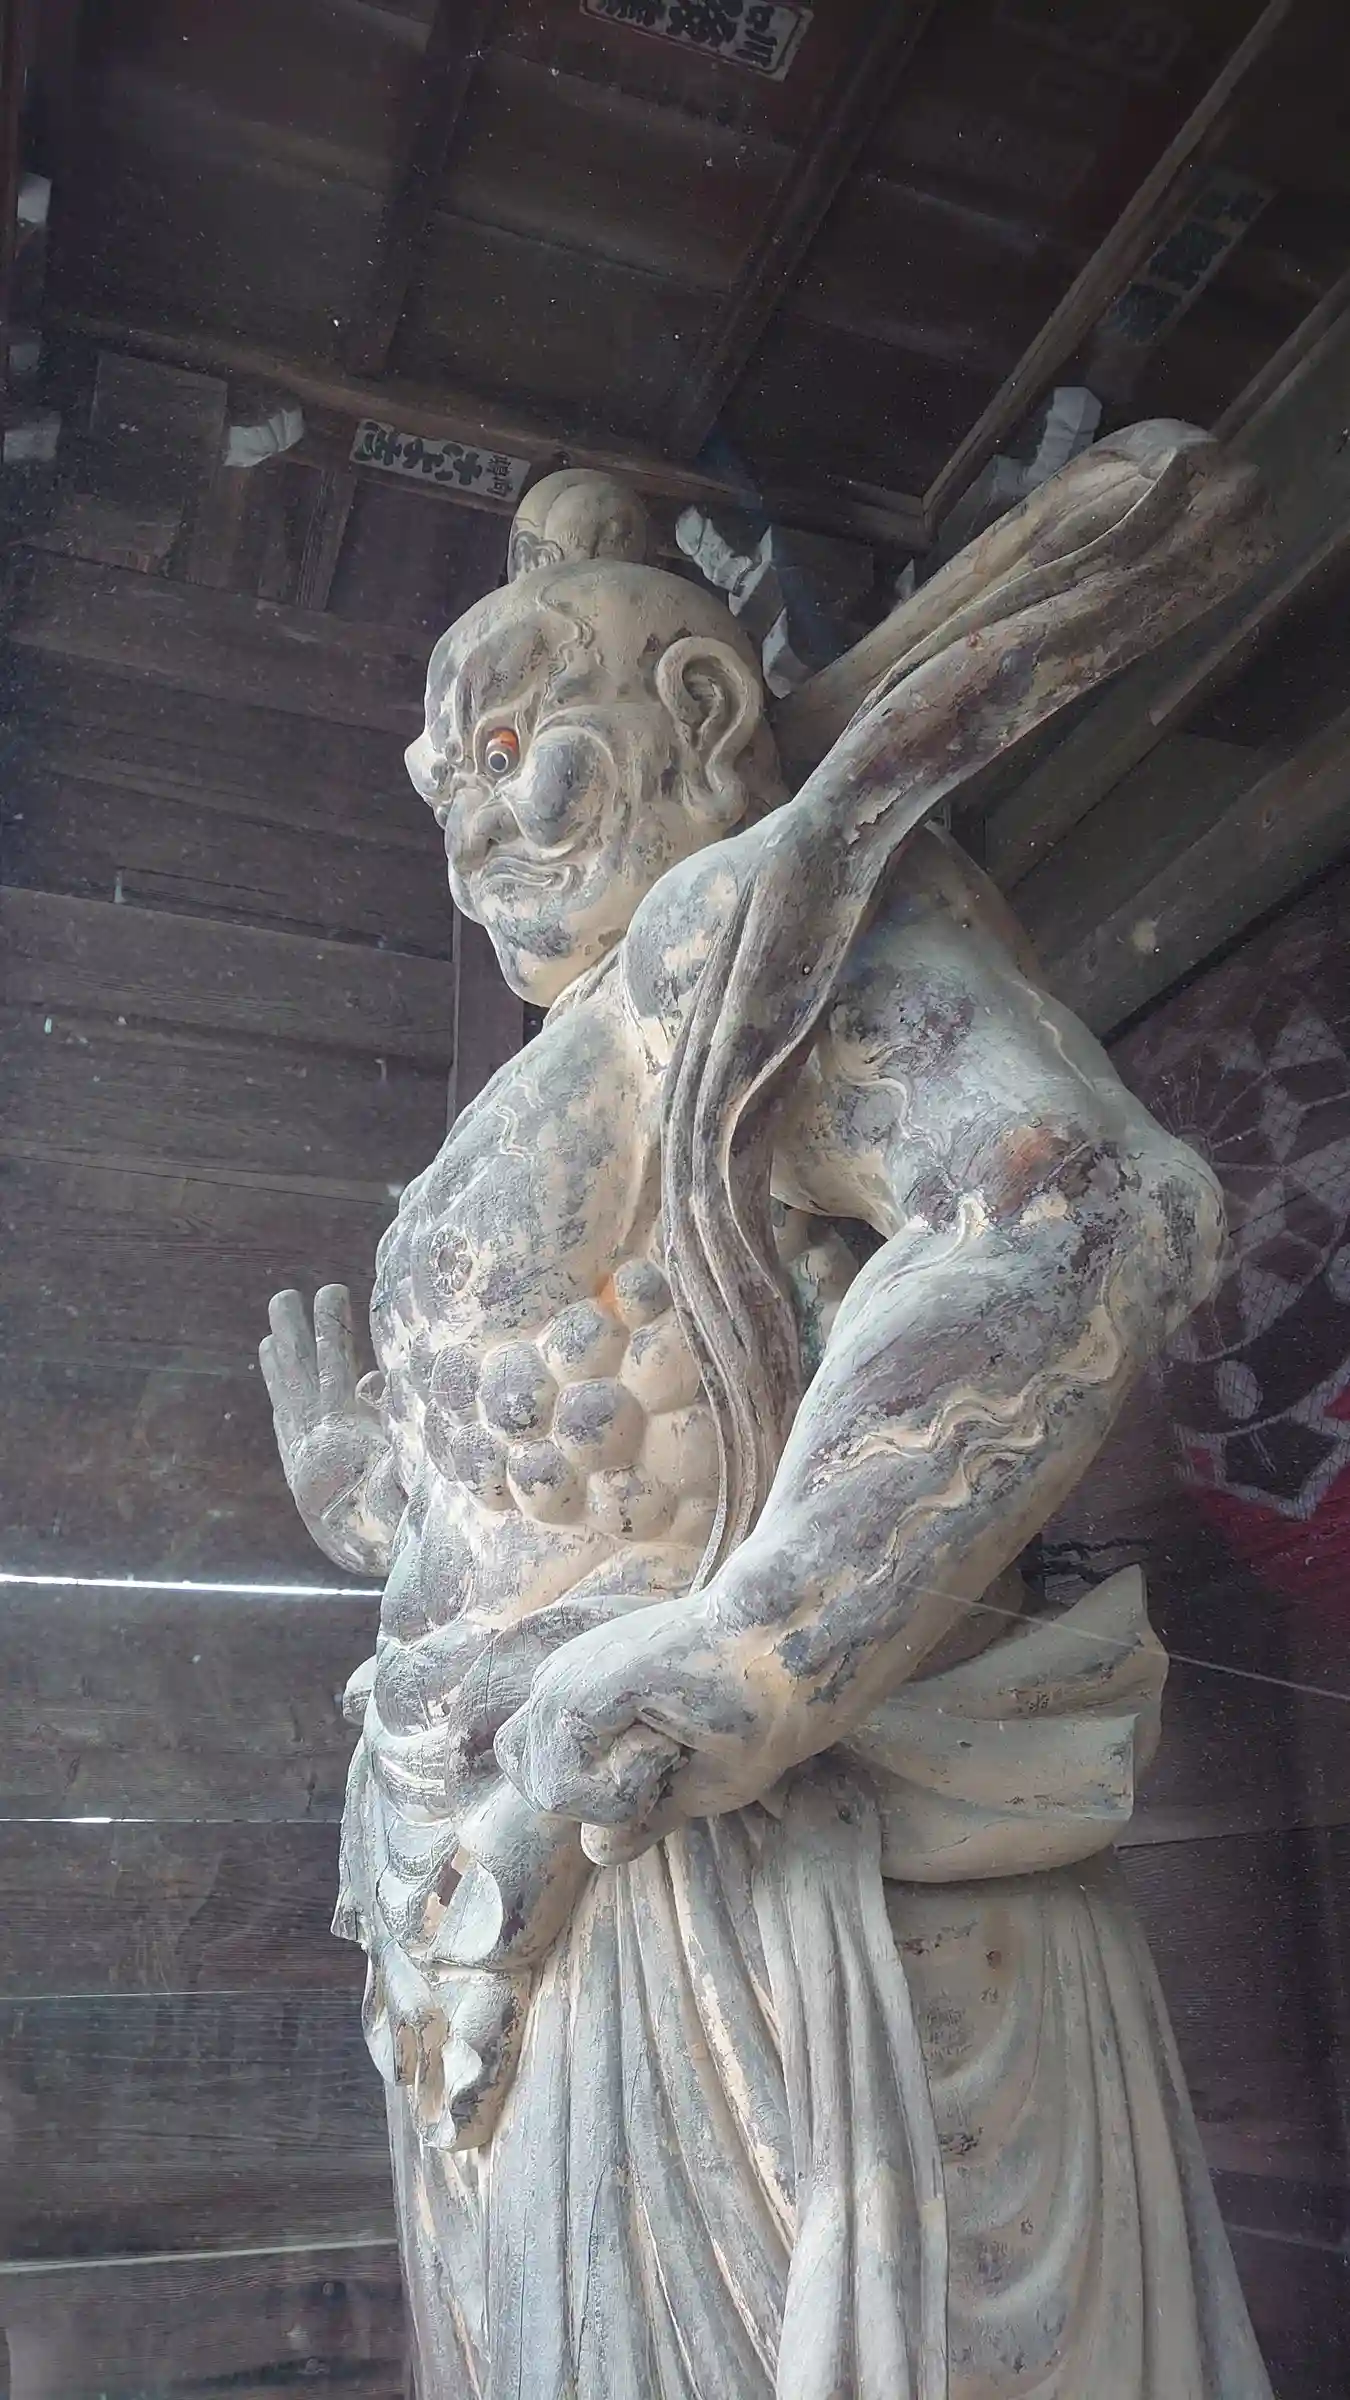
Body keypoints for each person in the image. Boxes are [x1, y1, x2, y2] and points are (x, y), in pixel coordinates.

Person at [262, 438, 1275, 2396]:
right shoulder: (595, 1041)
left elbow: (1072, 1212)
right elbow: (600, 1456)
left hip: (721, 1867)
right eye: (443, 793)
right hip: (489, 1889)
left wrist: (756, 1643)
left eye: (511, 758)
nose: (473, 842)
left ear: (700, 717)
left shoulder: (750, 955)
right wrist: (393, 1506)